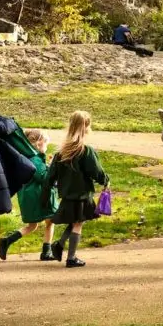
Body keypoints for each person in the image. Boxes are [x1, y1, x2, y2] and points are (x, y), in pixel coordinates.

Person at [44, 111, 109, 268]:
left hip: (67, 193)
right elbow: (97, 172)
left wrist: (45, 196)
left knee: (75, 221)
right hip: (82, 193)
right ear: (86, 127)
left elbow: (50, 176)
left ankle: (59, 245)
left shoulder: (61, 152)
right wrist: (105, 180)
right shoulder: (85, 151)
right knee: (78, 223)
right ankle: (71, 258)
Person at [0, 129, 57, 262]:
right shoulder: (35, 159)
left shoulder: (26, 157)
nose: (47, 147)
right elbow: (43, 177)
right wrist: (53, 166)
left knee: (33, 225)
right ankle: (46, 252)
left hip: (28, 196)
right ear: (38, 144)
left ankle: (7, 241)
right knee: (51, 221)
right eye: (46, 143)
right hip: (38, 196)